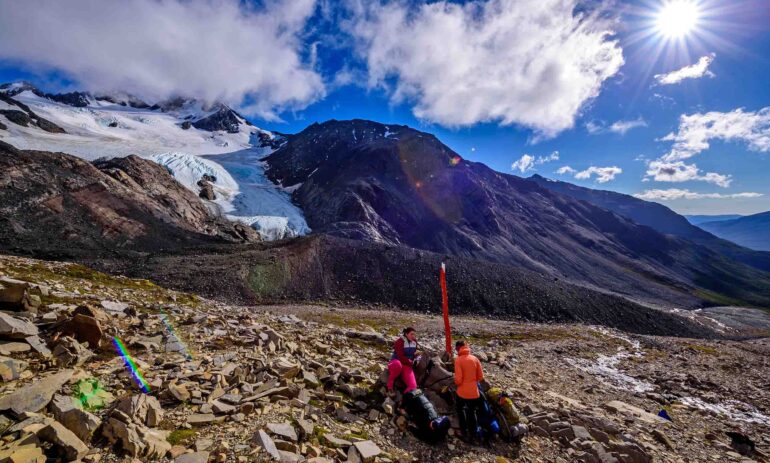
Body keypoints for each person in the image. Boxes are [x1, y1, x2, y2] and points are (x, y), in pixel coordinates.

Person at [454, 340, 484, 443]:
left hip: (462, 392)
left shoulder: (458, 360)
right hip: (474, 392)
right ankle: (474, 435)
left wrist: (457, 383)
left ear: (458, 348)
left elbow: (458, 380)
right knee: (472, 412)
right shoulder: (475, 359)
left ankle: (464, 433)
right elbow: (480, 377)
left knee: (461, 410)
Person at [387, 327, 419, 396]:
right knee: (398, 365)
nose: (413, 336)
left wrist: (417, 357)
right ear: (406, 334)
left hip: (406, 365)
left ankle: (404, 403)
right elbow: (400, 357)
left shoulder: (415, 342)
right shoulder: (400, 342)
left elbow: (414, 354)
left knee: (413, 387)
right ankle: (390, 387)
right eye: (411, 334)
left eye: (414, 335)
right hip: (396, 362)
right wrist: (411, 362)